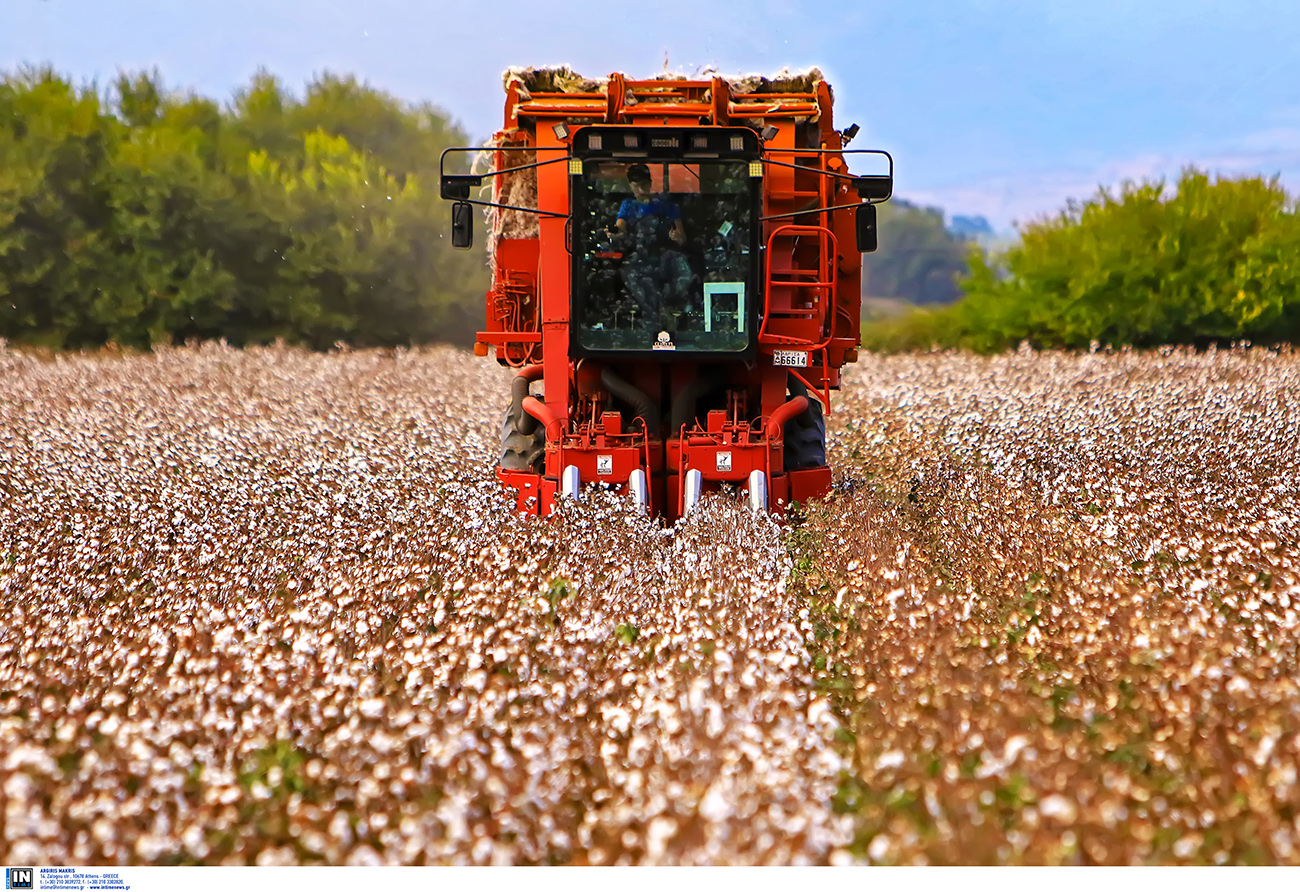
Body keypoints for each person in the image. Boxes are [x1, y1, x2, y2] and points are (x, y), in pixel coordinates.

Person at [608, 163, 694, 328]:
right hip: (640, 257)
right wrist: (616, 233)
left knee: (685, 272)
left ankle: (668, 306)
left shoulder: (667, 206)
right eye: (636, 185)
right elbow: (621, 227)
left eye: (644, 184)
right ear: (630, 186)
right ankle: (653, 320)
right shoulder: (628, 205)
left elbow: (682, 238)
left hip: (665, 255)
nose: (640, 189)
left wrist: (676, 236)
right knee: (631, 277)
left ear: (650, 183)